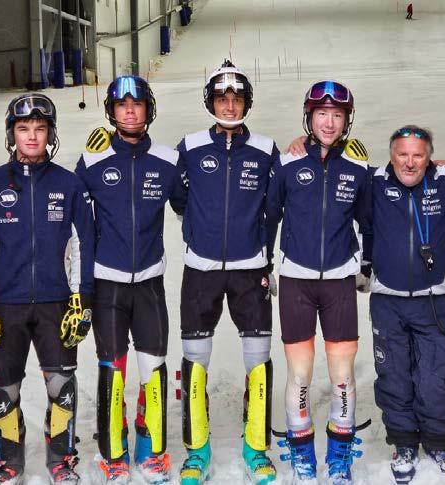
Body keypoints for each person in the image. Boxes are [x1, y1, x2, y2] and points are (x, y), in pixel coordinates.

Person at [0, 93, 95, 484]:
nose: (33, 136)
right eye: (24, 128)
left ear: (51, 133)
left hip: (57, 304)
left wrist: (82, 299)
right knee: (4, 389)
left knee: (62, 386)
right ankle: (8, 460)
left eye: (40, 128)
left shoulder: (69, 185)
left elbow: (83, 246)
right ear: (12, 134)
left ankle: (61, 458)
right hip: (5, 304)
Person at [75, 75, 186, 484]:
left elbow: (193, 207)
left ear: (148, 109)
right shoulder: (93, 161)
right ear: (111, 111)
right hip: (107, 284)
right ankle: (113, 449)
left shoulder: (168, 160)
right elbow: (74, 224)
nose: (130, 112)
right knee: (113, 369)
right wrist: (78, 286)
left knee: (153, 367)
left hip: (151, 284)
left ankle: (151, 445)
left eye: (137, 104)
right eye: (122, 105)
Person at [174, 60, 280, 485]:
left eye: (237, 98)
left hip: (250, 269)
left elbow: (277, 202)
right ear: (210, 102)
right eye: (222, 98)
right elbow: (179, 197)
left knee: (258, 363)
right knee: (195, 363)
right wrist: (199, 230)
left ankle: (256, 448)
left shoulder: (267, 149)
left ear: (247, 103)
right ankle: (196, 451)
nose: (230, 105)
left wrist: (259, 246)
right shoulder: (190, 146)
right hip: (200, 269)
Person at [265, 80, 372, 485]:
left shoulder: (358, 167)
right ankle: (302, 452)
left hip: (340, 281)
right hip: (296, 280)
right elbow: (270, 216)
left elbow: (369, 221)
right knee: (300, 374)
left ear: (347, 120)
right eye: (322, 114)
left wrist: (367, 263)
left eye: (337, 115)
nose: (329, 122)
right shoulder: (288, 162)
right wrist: (264, 263)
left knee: (342, 374)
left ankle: (340, 454)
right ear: (309, 118)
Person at [362, 126, 445, 484]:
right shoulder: (373, 181)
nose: (409, 162)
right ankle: (404, 443)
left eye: (418, 155)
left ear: (429, 157)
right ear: (391, 155)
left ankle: (438, 443)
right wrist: (302, 142)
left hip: (432, 300)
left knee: (436, 377)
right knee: (394, 376)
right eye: (402, 154)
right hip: (386, 300)